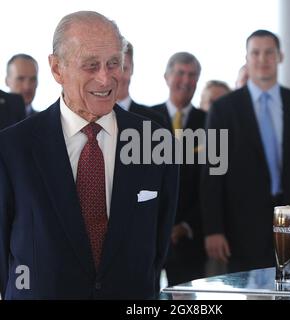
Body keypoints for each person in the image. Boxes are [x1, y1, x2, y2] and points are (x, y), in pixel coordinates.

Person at [0, 11, 178, 300]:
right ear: (57, 69)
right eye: (91, 65)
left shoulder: (157, 144)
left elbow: (158, 248)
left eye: (113, 63)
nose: (105, 78)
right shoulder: (12, 149)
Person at [201, 30, 290, 273]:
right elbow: (211, 175)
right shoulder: (223, 110)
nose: (263, 59)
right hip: (240, 230)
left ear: (280, 56)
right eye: (256, 53)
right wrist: (213, 229)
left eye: (269, 52)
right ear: (247, 58)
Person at [152, 52, 207, 286]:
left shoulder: (209, 122)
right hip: (151, 235)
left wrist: (186, 225)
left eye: (192, 75)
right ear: (166, 77)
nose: (185, 80)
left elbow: (211, 182)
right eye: (180, 73)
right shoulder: (146, 119)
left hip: (191, 238)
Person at [116, 40, 166, 126]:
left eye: (124, 68)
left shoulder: (154, 120)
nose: (119, 76)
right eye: (113, 67)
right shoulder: (92, 118)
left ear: (132, 69)